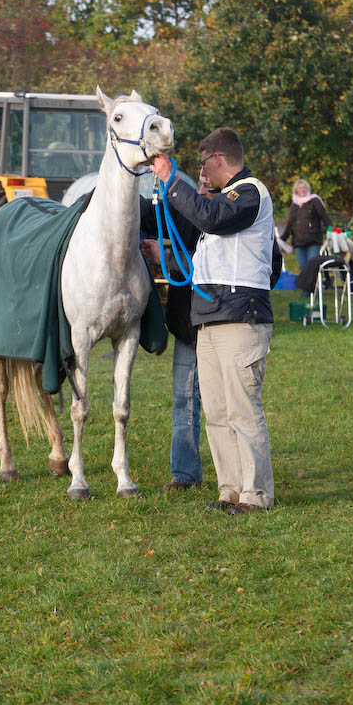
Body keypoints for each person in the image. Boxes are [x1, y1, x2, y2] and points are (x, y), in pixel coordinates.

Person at [149, 128, 277, 515]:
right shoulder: (219, 205)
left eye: (203, 164)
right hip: (209, 320)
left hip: (241, 317)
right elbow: (198, 245)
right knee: (218, 413)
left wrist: (172, 180)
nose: (201, 173)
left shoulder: (249, 192)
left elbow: (213, 216)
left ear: (218, 158)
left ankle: (256, 495)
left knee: (242, 409)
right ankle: (230, 491)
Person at [139, 177, 211, 491]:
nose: (205, 184)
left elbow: (208, 267)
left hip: (223, 324)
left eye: (210, 179)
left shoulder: (232, 211)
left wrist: (163, 258)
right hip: (188, 324)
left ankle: (239, 475)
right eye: (201, 179)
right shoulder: (184, 210)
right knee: (184, 400)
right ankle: (185, 474)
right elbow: (148, 215)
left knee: (228, 404)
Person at [280, 178, 331, 272]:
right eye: (300, 188)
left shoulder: (315, 200)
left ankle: (316, 285)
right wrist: (282, 239)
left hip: (313, 240)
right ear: (296, 190)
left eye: (304, 187)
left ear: (308, 189)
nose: (302, 189)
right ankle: (308, 286)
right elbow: (290, 224)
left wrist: (331, 229)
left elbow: (324, 216)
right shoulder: (294, 205)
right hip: (298, 241)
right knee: (303, 267)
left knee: (312, 264)